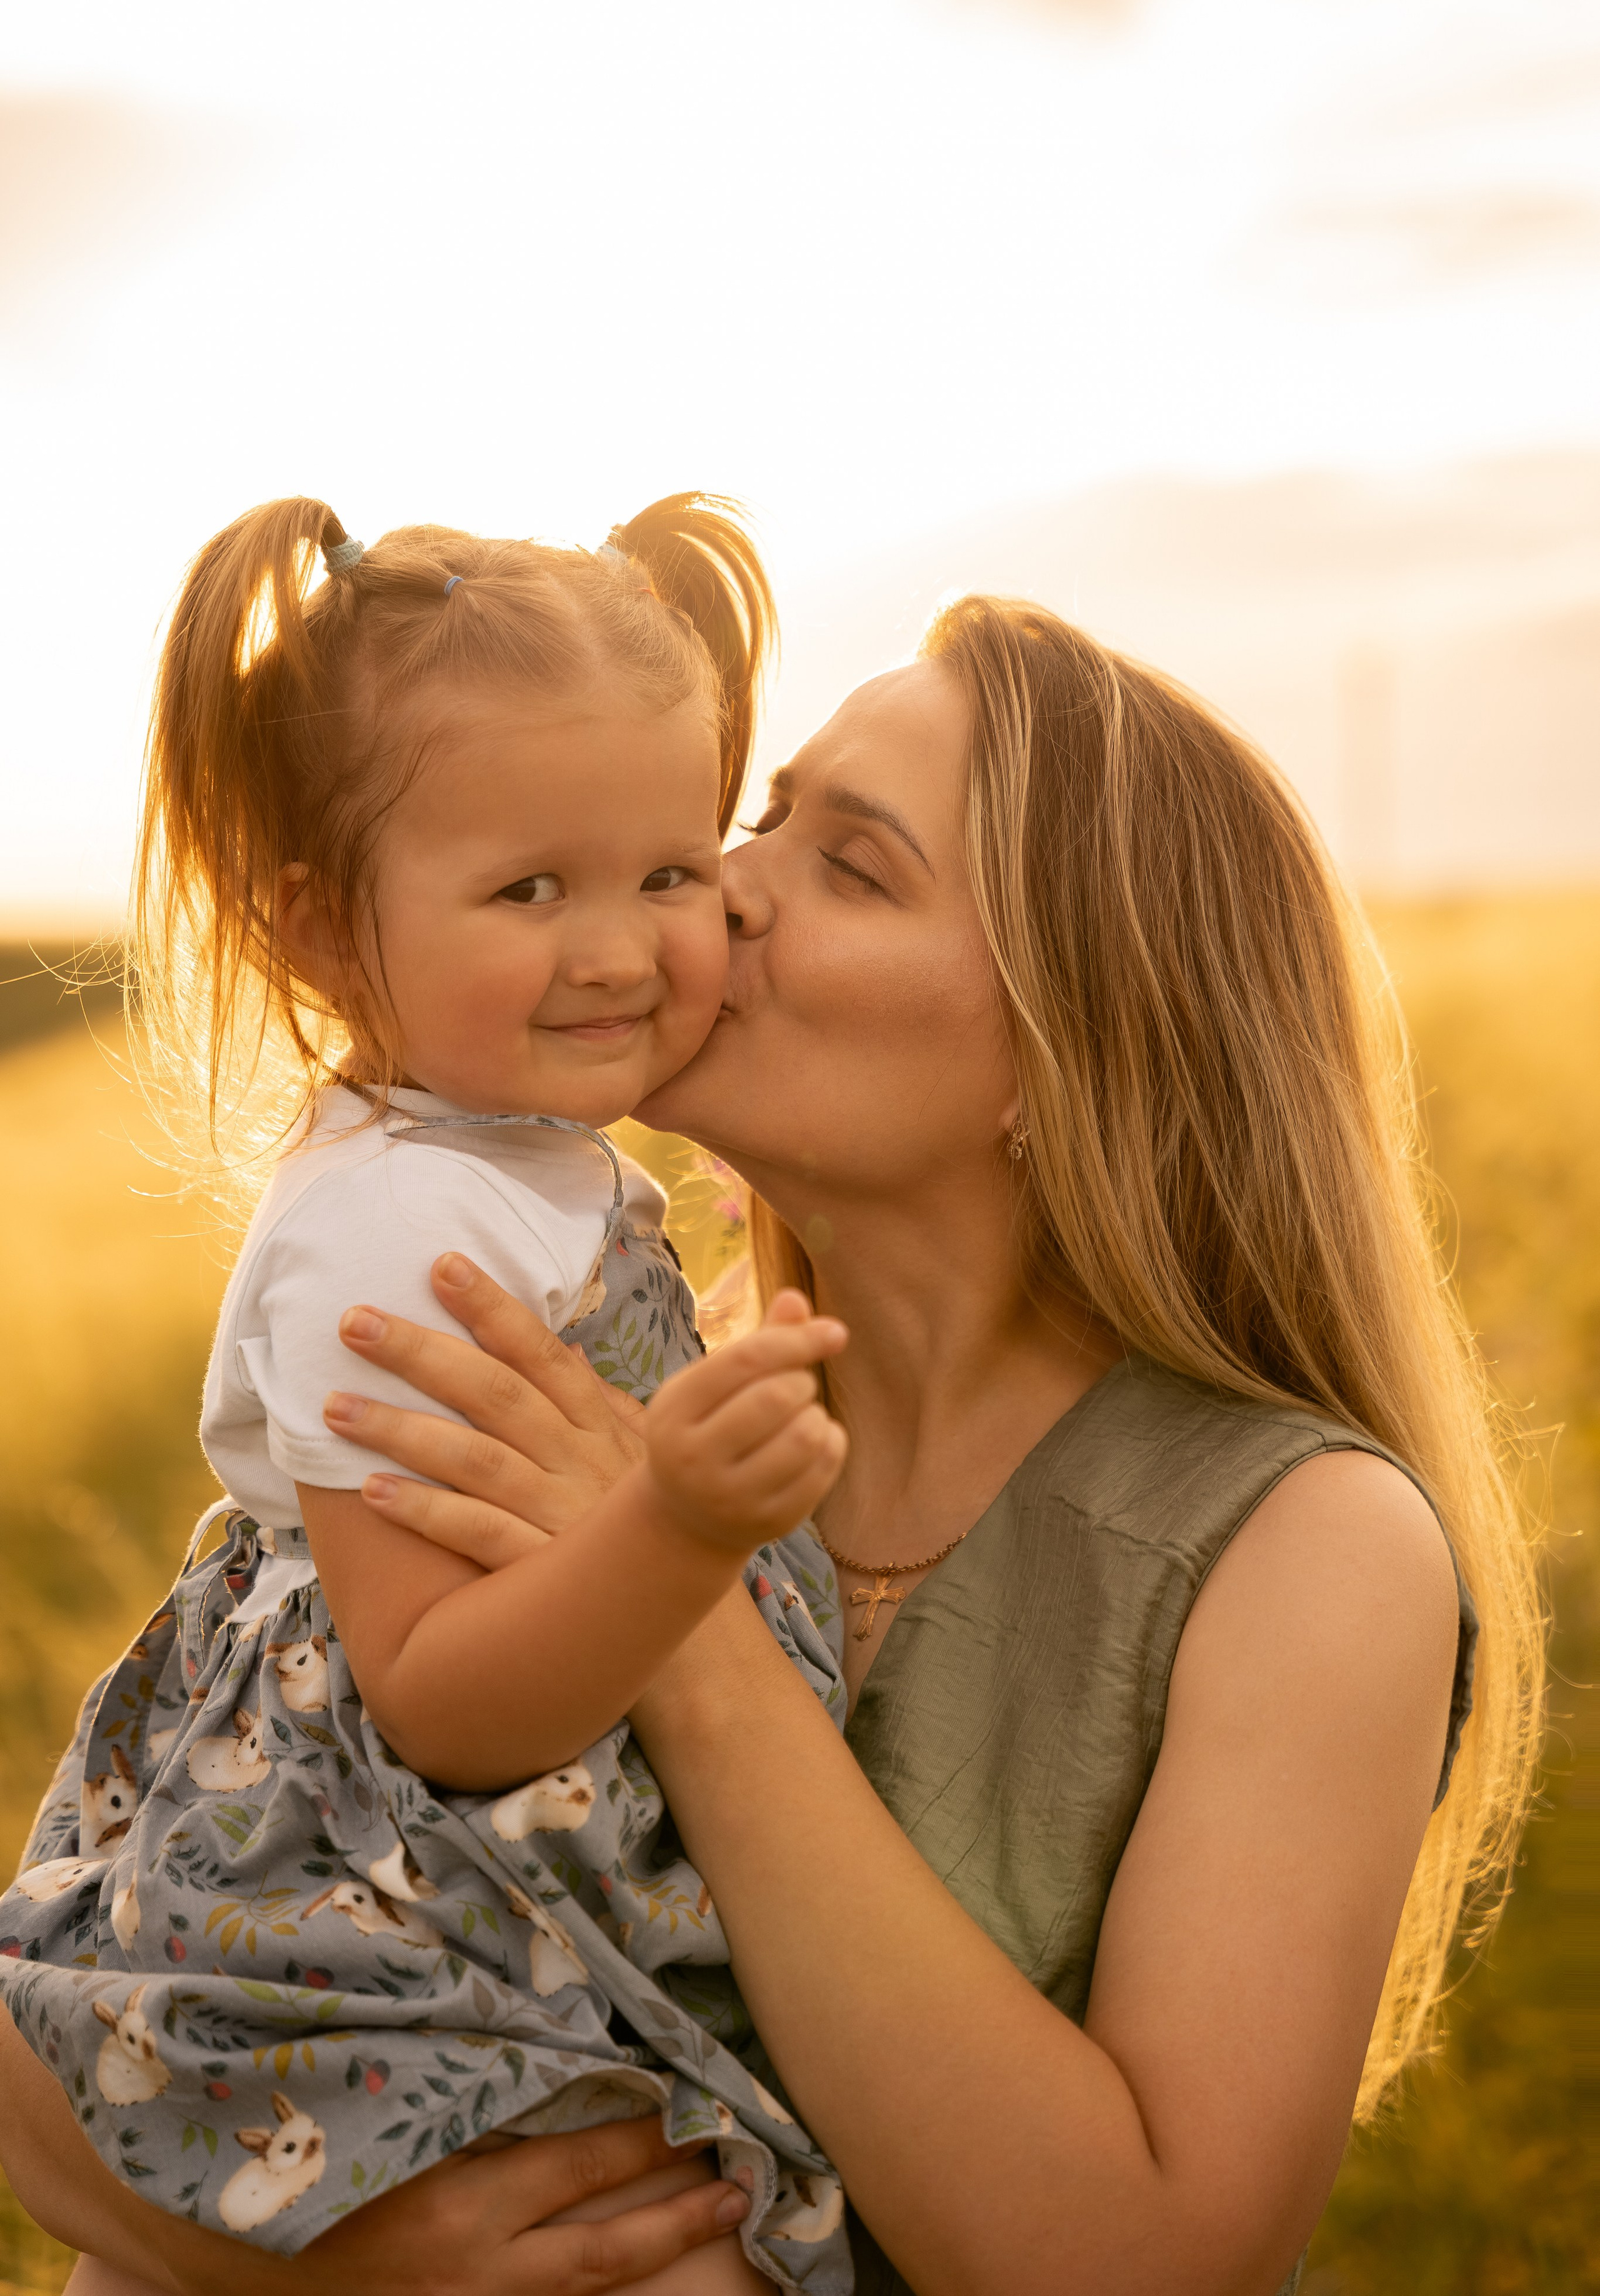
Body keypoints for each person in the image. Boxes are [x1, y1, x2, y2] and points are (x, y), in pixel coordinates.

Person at [1, 594, 1542, 2295]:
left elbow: (1145, 2266)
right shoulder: (595, 1369)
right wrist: (333, 2255)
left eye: (853, 867)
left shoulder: (1306, 1545)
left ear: (1073, 1045)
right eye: (761, 818)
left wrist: (690, 1634)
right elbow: (122, 1943)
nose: (723, 886)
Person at [0, 495, 859, 2294]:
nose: (618, 949)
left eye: (669, 872)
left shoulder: (513, 1162)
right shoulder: (398, 1232)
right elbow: (443, 1700)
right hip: (379, 1905)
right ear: (324, 932)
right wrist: (676, 1523)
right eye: (530, 889)